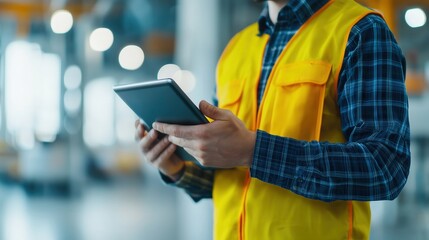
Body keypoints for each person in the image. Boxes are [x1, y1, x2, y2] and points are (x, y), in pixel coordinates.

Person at [134, 0, 410, 239]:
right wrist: (176, 168)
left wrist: (253, 151)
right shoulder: (236, 49)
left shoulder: (360, 31)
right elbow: (235, 180)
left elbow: (386, 167)